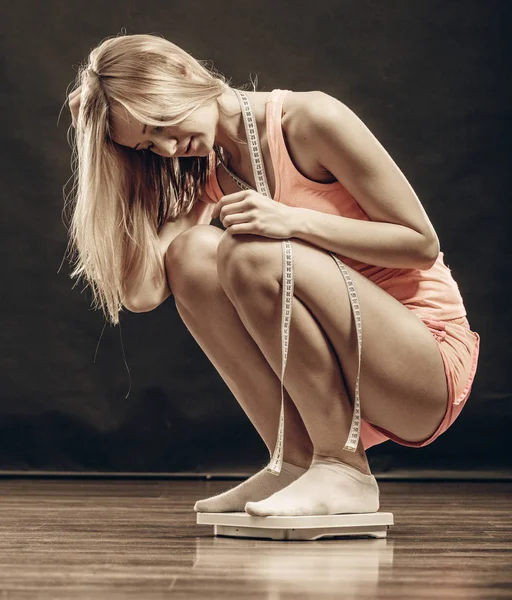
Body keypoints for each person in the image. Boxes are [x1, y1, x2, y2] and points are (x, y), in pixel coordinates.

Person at [66, 33, 480, 518]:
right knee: (191, 255)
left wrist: (293, 221)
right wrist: (108, 156)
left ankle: (343, 469)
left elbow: (420, 243)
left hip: (425, 365)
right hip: (350, 374)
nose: (169, 148)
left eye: (160, 124)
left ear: (181, 72)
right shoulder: (209, 172)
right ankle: (297, 461)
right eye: (148, 145)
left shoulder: (308, 121)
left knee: (250, 255)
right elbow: (143, 292)